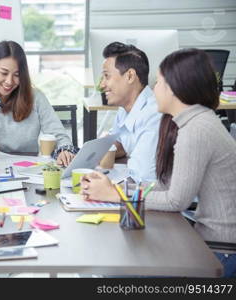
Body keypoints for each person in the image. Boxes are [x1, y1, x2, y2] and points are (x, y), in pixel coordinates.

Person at [81, 48, 236, 278]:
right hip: (207, 242)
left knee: (117, 271)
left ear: (176, 88)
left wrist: (114, 193)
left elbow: (175, 200)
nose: (153, 90)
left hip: (219, 252)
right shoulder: (195, 122)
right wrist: (116, 190)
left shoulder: (196, 131)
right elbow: (164, 187)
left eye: (159, 83)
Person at [0, 40, 76, 166]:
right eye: (4, 73)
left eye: (17, 75)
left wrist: (65, 151)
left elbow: (58, 134)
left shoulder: (35, 97)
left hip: (28, 170)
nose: (9, 81)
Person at [99, 42, 161, 181]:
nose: (102, 85)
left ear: (130, 76)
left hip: (152, 195)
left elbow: (143, 177)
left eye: (107, 76)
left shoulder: (154, 115)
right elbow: (121, 143)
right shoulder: (125, 109)